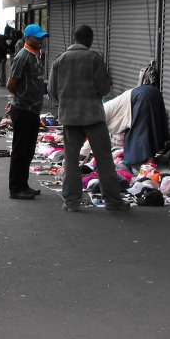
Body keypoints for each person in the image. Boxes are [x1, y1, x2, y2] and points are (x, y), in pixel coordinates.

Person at [48, 24, 129, 212]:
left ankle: (72, 202)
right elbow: (105, 89)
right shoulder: (94, 59)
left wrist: (66, 102)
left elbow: (52, 91)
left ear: (74, 38)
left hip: (70, 118)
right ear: (89, 39)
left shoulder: (59, 61)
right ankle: (113, 202)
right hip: (93, 117)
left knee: (71, 159)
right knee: (104, 159)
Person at [5, 24, 47, 199]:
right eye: (37, 37)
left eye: (41, 37)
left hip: (32, 110)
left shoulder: (37, 55)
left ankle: (23, 184)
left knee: (28, 150)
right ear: (28, 38)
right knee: (20, 150)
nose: (41, 40)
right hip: (23, 109)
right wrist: (21, 98)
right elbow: (11, 84)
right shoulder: (22, 56)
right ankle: (16, 188)